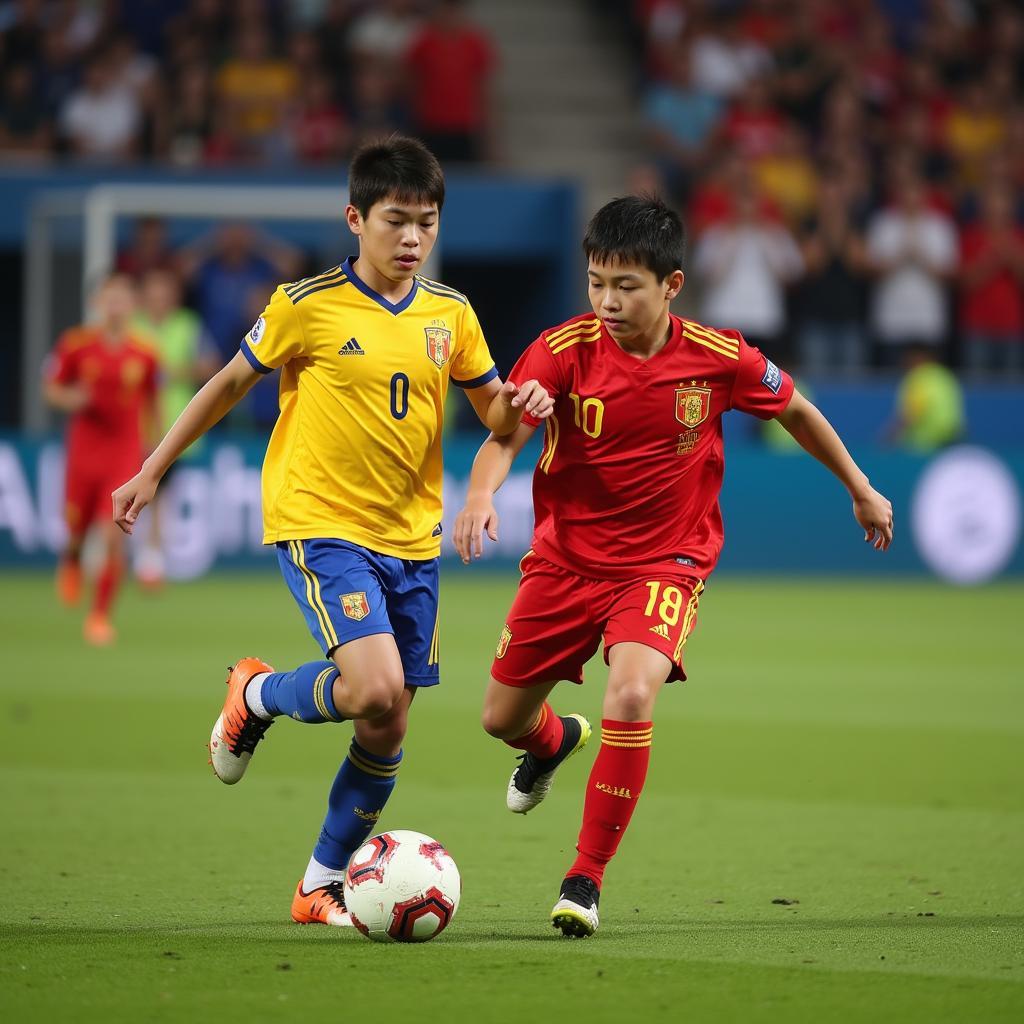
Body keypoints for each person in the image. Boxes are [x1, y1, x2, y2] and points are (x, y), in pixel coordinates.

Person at [111, 136, 554, 927]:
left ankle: (316, 885)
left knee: (387, 721)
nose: (413, 237)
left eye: (426, 222)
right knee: (375, 686)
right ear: (356, 218)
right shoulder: (305, 304)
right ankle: (256, 694)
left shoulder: (451, 314)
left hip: (411, 539)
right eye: (396, 221)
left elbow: (492, 413)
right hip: (321, 523)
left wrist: (518, 409)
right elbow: (224, 385)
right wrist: (153, 467)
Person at [453, 195, 893, 938]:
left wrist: (860, 487)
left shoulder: (720, 358)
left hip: (665, 562)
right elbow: (503, 435)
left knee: (630, 694)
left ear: (672, 286)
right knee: (502, 719)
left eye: (626, 285)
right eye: (596, 282)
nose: (607, 300)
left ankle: (584, 879)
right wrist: (477, 494)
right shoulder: (561, 349)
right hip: (563, 561)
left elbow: (798, 412)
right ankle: (555, 741)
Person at [44, 273, 159, 645]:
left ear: (132, 305)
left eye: (122, 299)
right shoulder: (75, 345)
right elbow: (51, 388)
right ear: (97, 304)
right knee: (76, 532)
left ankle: (99, 617)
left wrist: (155, 454)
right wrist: (70, 399)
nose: (115, 307)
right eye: (108, 299)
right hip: (83, 453)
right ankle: (72, 560)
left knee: (114, 535)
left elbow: (152, 405)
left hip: (122, 455)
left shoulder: (145, 352)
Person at [132, 267, 218, 585]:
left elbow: (212, 365)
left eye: (165, 292)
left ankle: (151, 560)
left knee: (160, 494)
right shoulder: (132, 326)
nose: (159, 298)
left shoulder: (187, 325)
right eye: (153, 292)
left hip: (172, 427)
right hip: (130, 426)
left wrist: (175, 372)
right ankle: (127, 556)